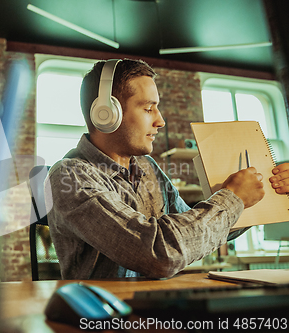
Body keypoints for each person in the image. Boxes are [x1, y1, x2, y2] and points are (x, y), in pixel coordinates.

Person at [46, 59, 289, 280]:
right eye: (148, 108)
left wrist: (262, 190)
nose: (160, 121)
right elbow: (158, 254)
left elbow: (192, 232)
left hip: (153, 307)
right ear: (107, 114)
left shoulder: (147, 167)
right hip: (104, 318)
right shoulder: (70, 175)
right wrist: (232, 198)